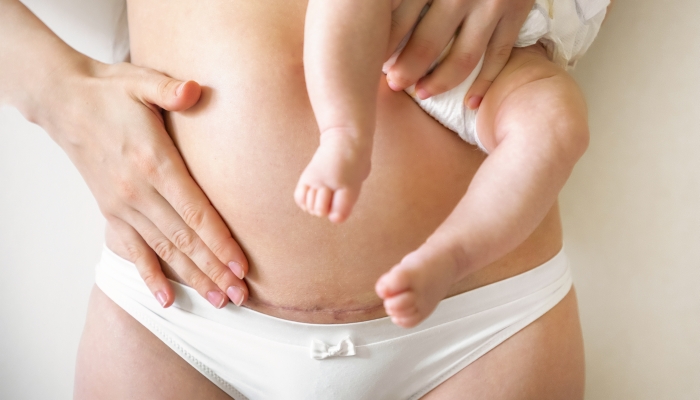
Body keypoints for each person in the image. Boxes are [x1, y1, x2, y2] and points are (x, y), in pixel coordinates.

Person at [0, 0, 609, 398]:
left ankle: (449, 247)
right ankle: (347, 139)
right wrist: (53, 89)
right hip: (178, 320)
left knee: (555, 124)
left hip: (482, 328)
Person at [298, 0, 607, 327]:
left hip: (513, 58)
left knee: (558, 123)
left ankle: (453, 254)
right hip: (395, 18)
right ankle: (343, 133)